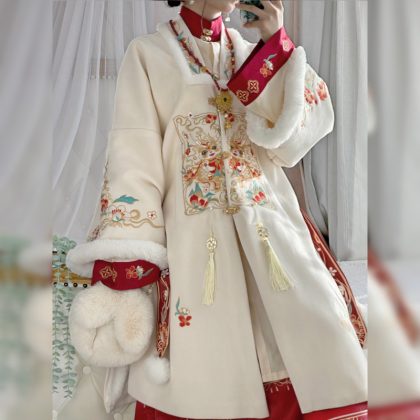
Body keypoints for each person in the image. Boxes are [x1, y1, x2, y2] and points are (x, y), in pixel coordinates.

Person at [66, 0, 368, 418]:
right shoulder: (149, 54)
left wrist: (275, 43)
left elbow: (291, 144)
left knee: (315, 329)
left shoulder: (248, 52)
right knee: (207, 348)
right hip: (196, 239)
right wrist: (130, 262)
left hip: (269, 226)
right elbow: (133, 160)